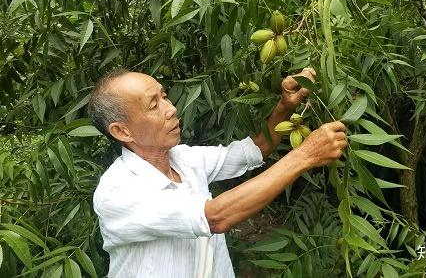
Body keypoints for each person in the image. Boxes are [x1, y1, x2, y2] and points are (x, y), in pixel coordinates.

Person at [89, 67, 347, 277]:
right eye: (153, 105)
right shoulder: (118, 191)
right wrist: (305, 155)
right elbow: (215, 218)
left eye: (164, 96)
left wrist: (285, 106)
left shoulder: (185, 159)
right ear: (122, 131)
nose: (172, 108)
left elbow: (257, 149)